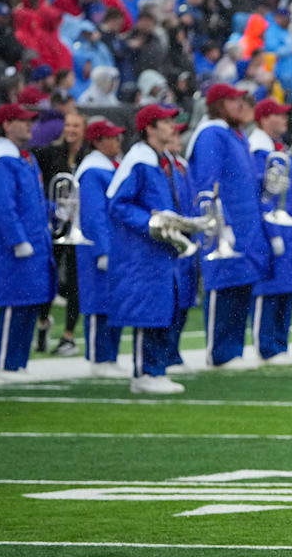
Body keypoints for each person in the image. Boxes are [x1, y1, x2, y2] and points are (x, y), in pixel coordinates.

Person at [107, 104, 196, 394]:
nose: (172, 126)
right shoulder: (140, 160)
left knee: (163, 309)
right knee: (149, 310)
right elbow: (117, 203)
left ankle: (156, 370)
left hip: (161, 248)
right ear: (150, 128)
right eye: (166, 122)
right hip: (144, 249)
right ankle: (144, 373)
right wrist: (151, 222)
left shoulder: (160, 160)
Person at [187, 84, 270, 370]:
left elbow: (241, 180)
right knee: (224, 285)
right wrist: (219, 222)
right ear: (219, 105)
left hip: (246, 224)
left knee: (241, 285)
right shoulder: (211, 133)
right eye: (235, 100)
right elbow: (206, 184)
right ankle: (219, 352)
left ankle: (233, 350)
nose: (242, 105)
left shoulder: (235, 134)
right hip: (227, 224)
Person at [0, 104, 55, 382]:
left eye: (31, 120)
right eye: (23, 120)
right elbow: (3, 205)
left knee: (31, 302)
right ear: (7, 125)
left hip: (36, 241)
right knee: (14, 303)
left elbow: (33, 201)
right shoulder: (3, 158)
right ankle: (5, 362)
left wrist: (55, 209)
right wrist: (17, 239)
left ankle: (18, 363)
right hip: (15, 246)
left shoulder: (26, 157)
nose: (29, 125)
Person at [247, 99, 292, 365]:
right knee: (268, 288)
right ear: (264, 119)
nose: (284, 120)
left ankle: (280, 343)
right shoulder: (259, 151)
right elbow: (262, 195)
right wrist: (272, 232)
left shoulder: (279, 149)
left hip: (287, 227)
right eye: (278, 116)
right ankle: (266, 346)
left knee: (284, 288)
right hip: (271, 229)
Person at [74, 118, 126, 377]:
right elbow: (94, 216)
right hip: (99, 247)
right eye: (112, 137)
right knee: (99, 299)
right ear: (97, 141)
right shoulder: (93, 171)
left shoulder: (111, 167)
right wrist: (102, 250)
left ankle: (111, 356)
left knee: (114, 301)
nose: (118, 141)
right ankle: (98, 358)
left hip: (116, 244)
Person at [34, 111, 86, 356]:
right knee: (49, 277)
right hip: (55, 224)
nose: (71, 130)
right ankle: (43, 322)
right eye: (68, 125)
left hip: (79, 226)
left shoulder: (89, 157)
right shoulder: (50, 153)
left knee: (75, 280)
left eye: (76, 125)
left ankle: (68, 336)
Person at [162, 122, 198, 373]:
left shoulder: (183, 167)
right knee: (171, 299)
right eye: (173, 133)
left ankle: (173, 350)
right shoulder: (163, 167)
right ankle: (166, 352)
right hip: (172, 239)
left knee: (185, 299)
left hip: (188, 239)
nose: (178, 138)